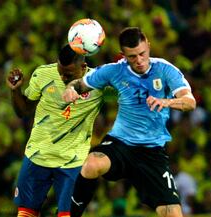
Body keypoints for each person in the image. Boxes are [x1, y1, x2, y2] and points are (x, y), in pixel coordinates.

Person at [62, 27, 196, 217]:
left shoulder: (165, 70)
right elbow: (79, 84)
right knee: (91, 164)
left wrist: (167, 101)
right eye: (132, 56)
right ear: (122, 55)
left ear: (148, 46)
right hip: (121, 144)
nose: (139, 61)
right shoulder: (114, 71)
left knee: (173, 214)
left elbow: (190, 102)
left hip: (152, 151)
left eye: (142, 53)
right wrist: (70, 88)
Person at [6, 44, 103, 217]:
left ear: (83, 67)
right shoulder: (43, 74)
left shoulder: (98, 82)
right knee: (26, 214)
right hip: (37, 155)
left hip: (72, 162)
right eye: (60, 72)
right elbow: (23, 111)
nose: (63, 77)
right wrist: (15, 91)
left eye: (68, 74)